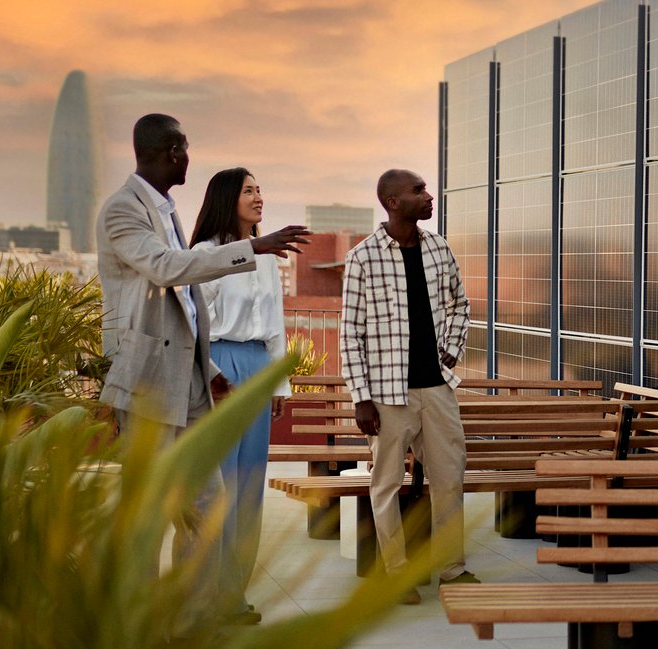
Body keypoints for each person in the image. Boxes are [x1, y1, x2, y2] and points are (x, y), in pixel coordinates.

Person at [97, 115, 308, 605]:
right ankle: (140, 616)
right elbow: (168, 270)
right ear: (172, 151)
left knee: (211, 503)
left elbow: (194, 311)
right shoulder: (123, 210)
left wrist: (211, 372)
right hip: (151, 381)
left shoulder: (165, 210)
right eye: (185, 148)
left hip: (194, 378)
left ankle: (196, 614)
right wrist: (252, 247)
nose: (189, 157)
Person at [340, 167, 475, 603]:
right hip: (386, 394)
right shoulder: (363, 257)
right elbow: (350, 334)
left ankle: (452, 570)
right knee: (385, 485)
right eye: (419, 191)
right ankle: (396, 574)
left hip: (437, 388)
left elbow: (459, 302)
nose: (428, 195)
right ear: (394, 202)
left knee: (449, 479)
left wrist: (451, 347)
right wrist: (361, 398)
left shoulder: (439, 249)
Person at [190, 167, 292, 626]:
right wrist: (212, 374)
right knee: (220, 488)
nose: (259, 196)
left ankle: (234, 595)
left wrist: (279, 382)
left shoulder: (267, 256)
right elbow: (195, 326)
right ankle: (205, 596)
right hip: (219, 369)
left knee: (250, 487)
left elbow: (276, 326)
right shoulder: (205, 254)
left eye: (260, 189)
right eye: (249, 190)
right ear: (227, 198)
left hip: (256, 369)